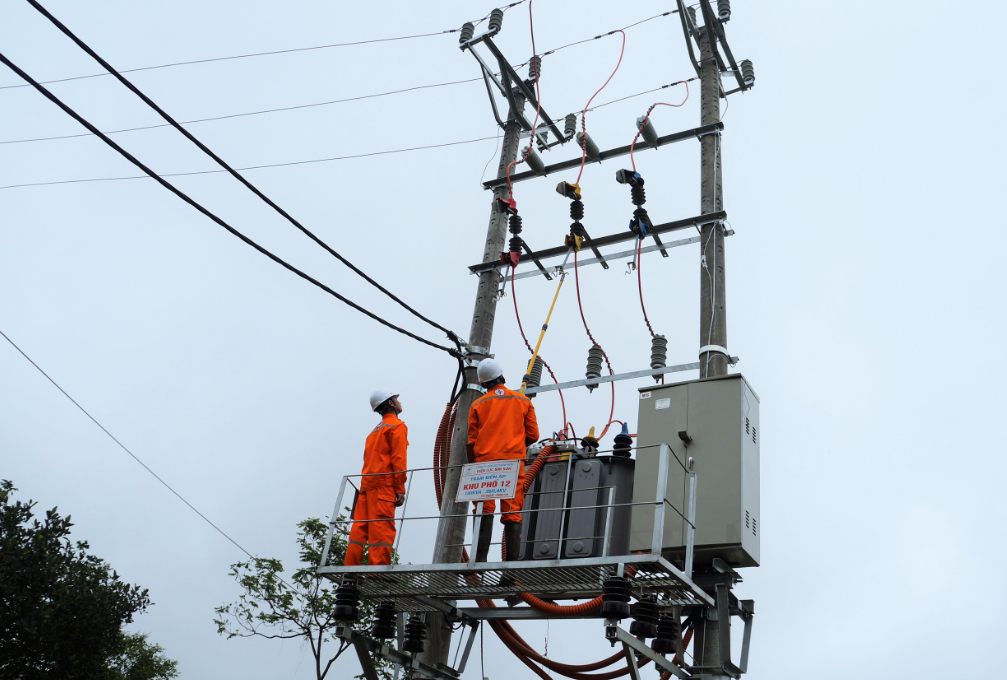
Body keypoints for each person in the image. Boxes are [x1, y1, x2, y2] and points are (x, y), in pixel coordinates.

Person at [467, 358, 539, 562]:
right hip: (512, 464)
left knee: (483, 510)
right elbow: (533, 435)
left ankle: (478, 564)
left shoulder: (477, 404)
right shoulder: (523, 401)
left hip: (484, 467)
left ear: (482, 382)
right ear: (501, 375)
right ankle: (510, 572)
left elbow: (472, 441)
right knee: (512, 512)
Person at [344, 390, 408, 567]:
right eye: (396, 399)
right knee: (381, 528)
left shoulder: (373, 432)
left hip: (366, 487)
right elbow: (398, 460)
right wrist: (400, 489)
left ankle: (350, 570)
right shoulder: (397, 426)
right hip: (384, 487)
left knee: (360, 529)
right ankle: (377, 572)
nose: (399, 401)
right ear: (390, 403)